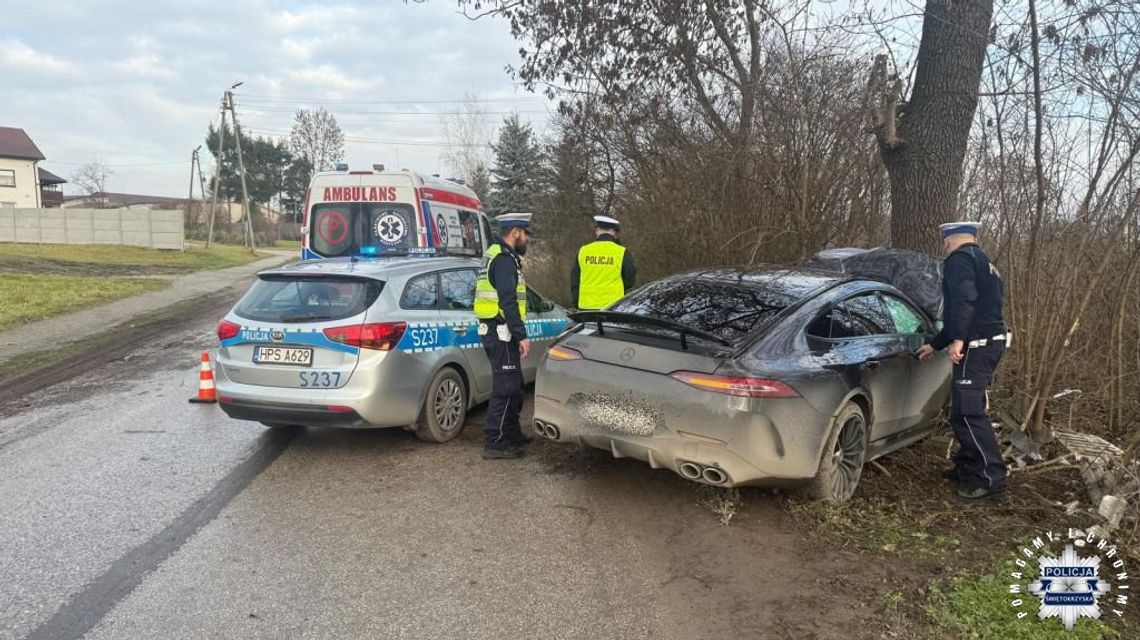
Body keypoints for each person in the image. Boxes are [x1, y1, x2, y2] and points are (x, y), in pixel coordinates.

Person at [916, 222, 1010, 500]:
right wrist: (935, 344)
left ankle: (991, 479)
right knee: (962, 411)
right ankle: (967, 468)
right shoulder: (984, 262)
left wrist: (959, 339)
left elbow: (963, 302)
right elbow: (973, 309)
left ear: (947, 241)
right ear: (975, 238)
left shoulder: (959, 260)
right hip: (988, 342)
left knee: (969, 413)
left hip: (976, 346)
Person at [474, 212, 534, 459]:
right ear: (516, 232)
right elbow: (508, 301)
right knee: (505, 388)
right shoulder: (504, 260)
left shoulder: (501, 255)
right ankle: (495, 442)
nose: (527, 239)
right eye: (526, 234)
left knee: (515, 386)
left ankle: (511, 432)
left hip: (499, 331)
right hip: (502, 332)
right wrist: (521, 335)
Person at [570, 215, 637, 311]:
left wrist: (575, 303)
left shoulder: (583, 251)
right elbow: (630, 280)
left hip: (586, 307)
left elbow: (575, 280)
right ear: (614, 232)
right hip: (613, 307)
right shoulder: (621, 252)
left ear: (597, 230)